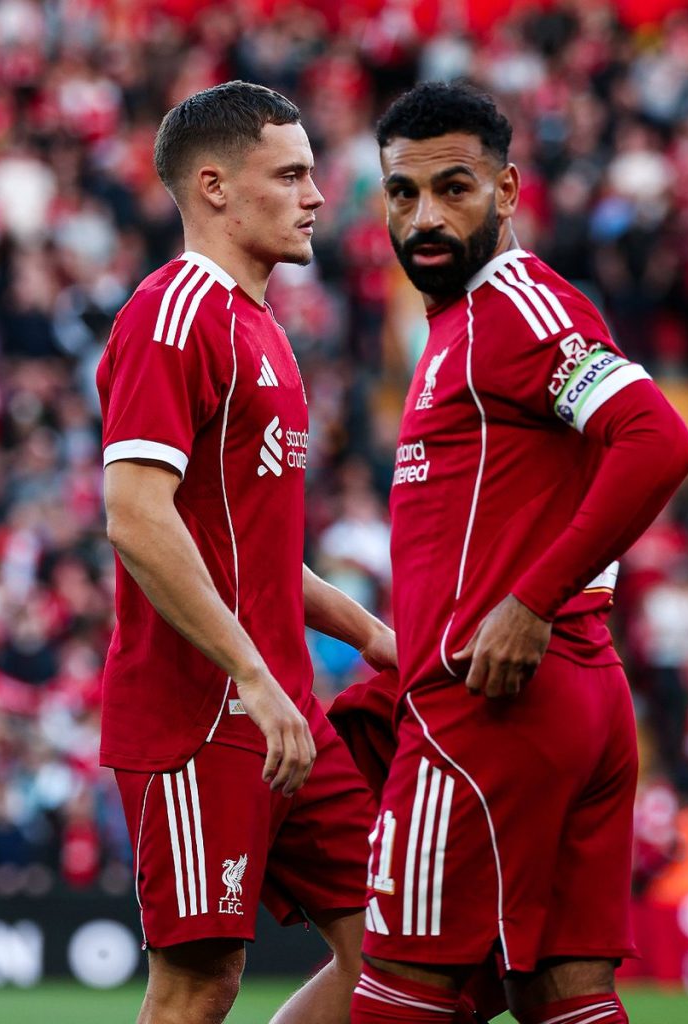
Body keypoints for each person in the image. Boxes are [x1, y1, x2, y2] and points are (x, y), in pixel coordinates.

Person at [350, 82, 688, 1024]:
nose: (424, 217)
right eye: (401, 193)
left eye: (453, 188)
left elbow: (658, 441)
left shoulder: (513, 309)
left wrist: (531, 599)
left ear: (505, 191)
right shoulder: (463, 322)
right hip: (569, 695)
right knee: (563, 997)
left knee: (398, 994)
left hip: (491, 704)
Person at [96, 80, 396, 1024]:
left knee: (401, 955)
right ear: (216, 187)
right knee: (197, 986)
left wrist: (374, 636)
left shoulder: (260, 326)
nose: (317, 195)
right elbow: (135, 516)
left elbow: (252, 554)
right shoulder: (170, 315)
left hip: (282, 706)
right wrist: (252, 675)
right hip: (202, 710)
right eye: (292, 174)